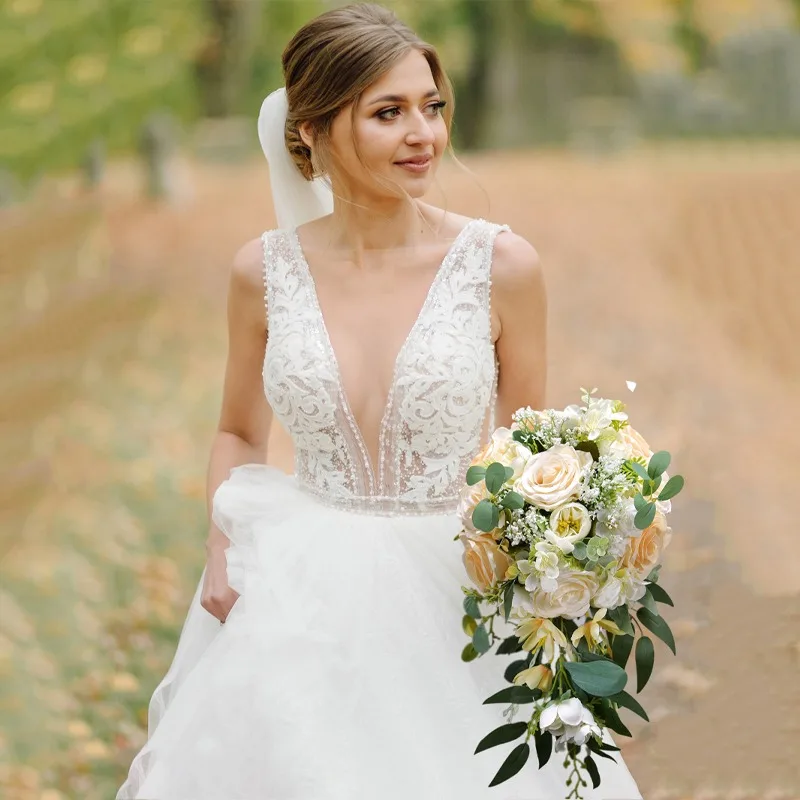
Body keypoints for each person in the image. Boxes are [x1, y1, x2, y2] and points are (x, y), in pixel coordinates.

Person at [116, 4, 643, 798]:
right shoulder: (260, 273)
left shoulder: (502, 266)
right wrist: (221, 544)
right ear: (315, 131)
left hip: (454, 596)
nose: (423, 134)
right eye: (388, 113)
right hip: (299, 592)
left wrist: (559, 561)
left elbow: (525, 451)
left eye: (432, 106)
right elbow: (234, 430)